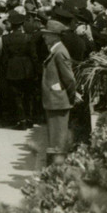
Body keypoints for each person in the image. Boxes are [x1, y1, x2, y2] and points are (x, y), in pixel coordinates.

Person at [41, 20, 78, 164]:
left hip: (58, 101)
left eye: (47, 35)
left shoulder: (60, 52)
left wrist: (69, 96)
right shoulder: (56, 50)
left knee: (57, 140)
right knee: (54, 138)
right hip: (55, 100)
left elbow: (69, 79)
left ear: (55, 36)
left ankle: (56, 171)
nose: (44, 37)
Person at [3, 11, 38, 129]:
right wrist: (36, 70)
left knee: (16, 95)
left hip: (13, 68)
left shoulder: (6, 38)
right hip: (27, 68)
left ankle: (21, 119)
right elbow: (34, 56)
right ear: (22, 24)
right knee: (28, 94)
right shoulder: (28, 37)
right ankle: (29, 118)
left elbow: (5, 57)